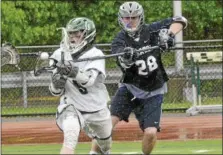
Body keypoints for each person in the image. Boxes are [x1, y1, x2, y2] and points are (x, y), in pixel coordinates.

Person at [90, 1, 187, 154]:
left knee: (150, 133)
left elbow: (181, 20)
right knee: (105, 127)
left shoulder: (152, 30)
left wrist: (168, 36)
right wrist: (127, 56)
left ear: (140, 17)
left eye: (134, 17)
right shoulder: (119, 40)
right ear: (121, 19)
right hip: (130, 88)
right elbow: (122, 60)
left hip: (154, 91)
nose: (130, 21)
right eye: (126, 18)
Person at [49, 17, 112, 154]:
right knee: (70, 136)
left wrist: (72, 71)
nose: (72, 37)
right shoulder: (59, 55)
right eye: (70, 33)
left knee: (105, 146)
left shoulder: (96, 54)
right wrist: (56, 83)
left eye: (77, 33)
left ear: (87, 34)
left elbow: (88, 81)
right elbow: (55, 91)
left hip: (97, 108)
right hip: (72, 106)